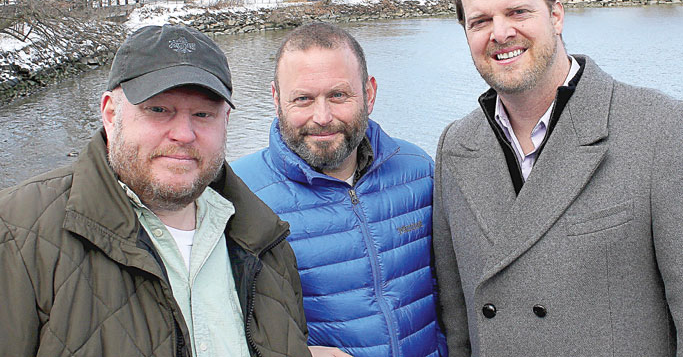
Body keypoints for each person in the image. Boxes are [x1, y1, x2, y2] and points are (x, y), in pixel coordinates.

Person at [434, 0, 683, 356]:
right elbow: (458, 322)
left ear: (556, 15)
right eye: (480, 21)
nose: (500, 33)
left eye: (517, 12)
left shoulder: (661, 130)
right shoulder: (454, 148)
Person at [0, 24, 311, 357]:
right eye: (158, 110)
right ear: (110, 114)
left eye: (203, 114)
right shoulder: (19, 233)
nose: (184, 134)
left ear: (225, 123)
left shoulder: (268, 244)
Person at [231, 22, 446, 357]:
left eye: (338, 95)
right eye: (303, 98)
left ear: (370, 93)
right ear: (276, 99)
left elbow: (448, 290)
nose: (322, 116)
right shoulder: (239, 194)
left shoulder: (418, 170)